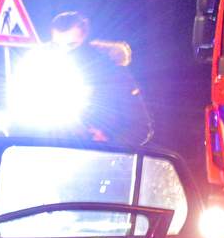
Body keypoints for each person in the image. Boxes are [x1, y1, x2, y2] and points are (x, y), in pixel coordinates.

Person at [47, 11, 153, 145]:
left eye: (72, 45)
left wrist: (109, 141)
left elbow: (139, 126)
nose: (64, 51)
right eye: (57, 45)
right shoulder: (42, 71)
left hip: (102, 160)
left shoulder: (112, 73)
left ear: (85, 39)